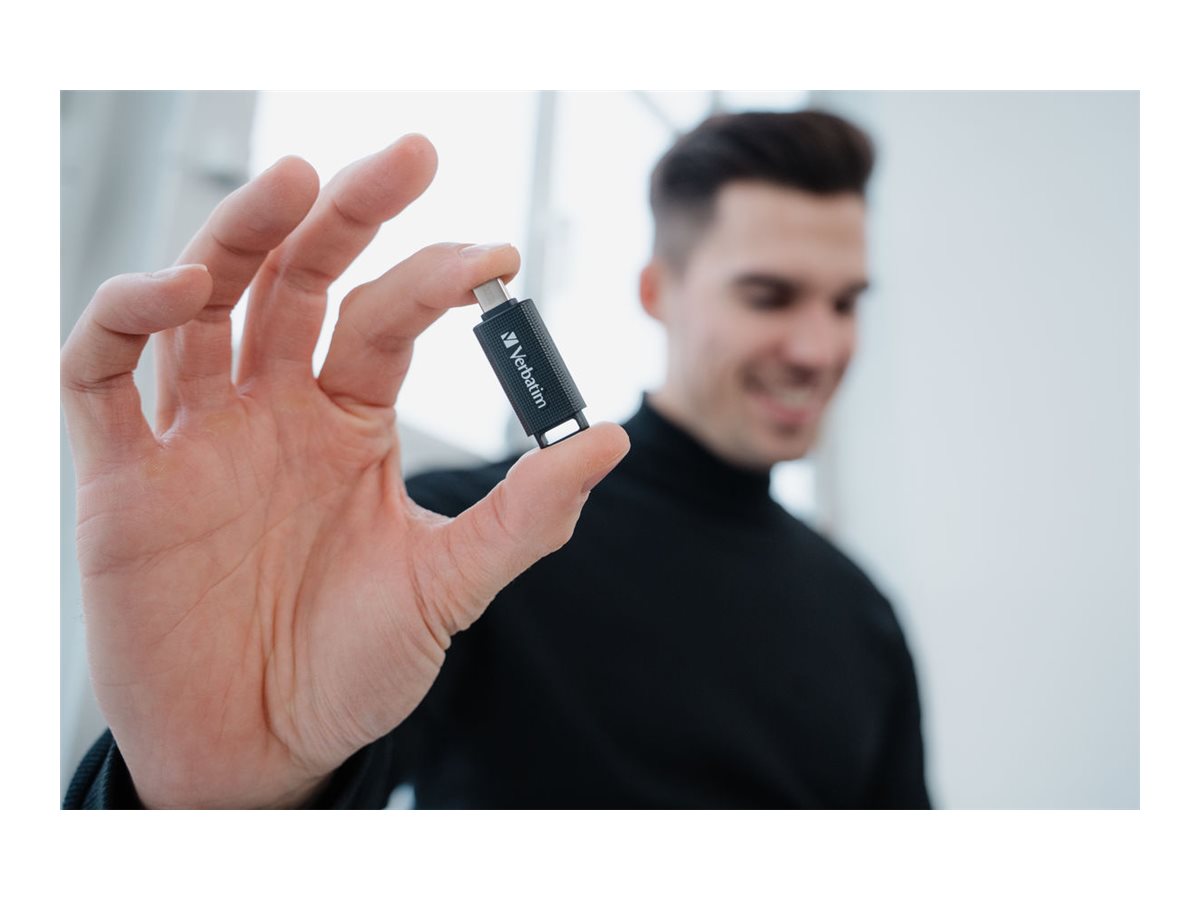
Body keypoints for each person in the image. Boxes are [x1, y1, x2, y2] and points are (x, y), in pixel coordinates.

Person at [63, 109, 930, 809]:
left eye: (845, 303)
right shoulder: (453, 536)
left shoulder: (863, 613)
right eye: (770, 296)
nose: (819, 348)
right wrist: (217, 806)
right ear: (656, 291)